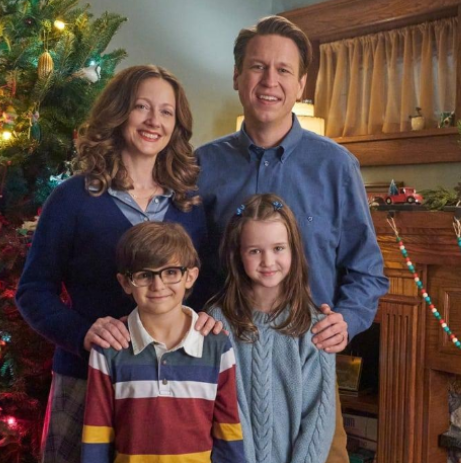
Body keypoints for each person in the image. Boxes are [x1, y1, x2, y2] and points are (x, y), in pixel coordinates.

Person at [195, 16, 389, 461]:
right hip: (224, 372)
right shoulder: (201, 166)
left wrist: (348, 319)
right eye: (257, 67)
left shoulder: (336, 166)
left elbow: (367, 271)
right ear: (237, 77)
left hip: (310, 370)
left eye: (283, 70)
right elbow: (188, 265)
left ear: (301, 84)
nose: (269, 81)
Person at [16, 65, 221, 463]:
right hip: (87, 377)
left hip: (170, 385)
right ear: (118, 112)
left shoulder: (189, 205)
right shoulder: (72, 199)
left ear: (176, 125)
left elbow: (208, 284)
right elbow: (32, 291)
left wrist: (210, 317)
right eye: (141, 107)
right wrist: (83, 334)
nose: (153, 121)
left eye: (166, 111)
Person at [82, 222, 245, 463]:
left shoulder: (216, 345)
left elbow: (228, 432)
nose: (158, 285)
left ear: (190, 276)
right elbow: (96, 438)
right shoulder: (109, 348)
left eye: (170, 272)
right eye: (144, 275)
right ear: (126, 282)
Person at [208, 194, 336, 463]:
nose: (268, 261)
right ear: (238, 254)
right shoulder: (217, 323)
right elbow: (218, 411)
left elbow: (318, 420)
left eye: (278, 248)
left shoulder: (316, 327)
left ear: (293, 250)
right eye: (255, 251)